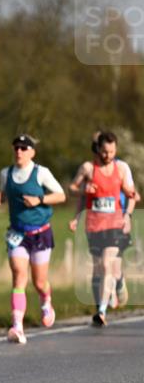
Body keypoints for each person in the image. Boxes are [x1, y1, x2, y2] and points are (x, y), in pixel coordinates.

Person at [0, 134, 66, 344]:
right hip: (18, 234)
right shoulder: (6, 173)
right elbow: (5, 194)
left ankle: (46, 301)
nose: (19, 151)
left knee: (39, 282)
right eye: (16, 147)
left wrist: (40, 199)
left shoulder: (41, 173)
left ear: (32, 152)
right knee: (18, 276)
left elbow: (61, 195)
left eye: (24, 148)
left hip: (40, 233)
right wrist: (0, 198)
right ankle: (17, 327)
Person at [66, 130, 136, 326]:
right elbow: (71, 189)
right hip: (94, 225)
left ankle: (103, 311)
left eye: (112, 152)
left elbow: (132, 195)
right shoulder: (88, 168)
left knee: (107, 263)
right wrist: (82, 191)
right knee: (99, 268)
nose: (108, 156)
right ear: (98, 149)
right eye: (105, 152)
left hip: (114, 225)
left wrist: (127, 215)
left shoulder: (121, 169)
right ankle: (101, 305)